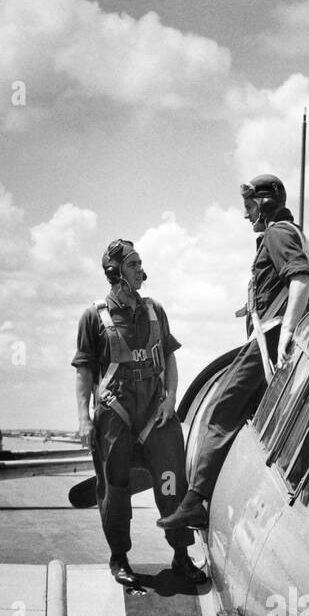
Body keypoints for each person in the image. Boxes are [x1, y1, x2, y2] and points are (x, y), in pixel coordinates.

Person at [158, 174, 309, 532]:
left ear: (263, 204)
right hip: (292, 344)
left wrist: (289, 330)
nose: (246, 216)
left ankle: (195, 501)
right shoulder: (303, 239)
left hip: (272, 341)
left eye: (248, 207)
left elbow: (301, 280)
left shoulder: (277, 234)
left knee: (221, 411)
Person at [73, 239, 206, 587]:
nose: (140, 270)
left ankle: (180, 555)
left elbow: (170, 357)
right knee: (114, 488)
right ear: (115, 271)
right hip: (114, 413)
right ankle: (119, 558)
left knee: (171, 483)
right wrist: (84, 419)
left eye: (139, 263)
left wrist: (171, 398)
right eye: (133, 264)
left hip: (156, 413)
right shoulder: (94, 316)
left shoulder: (154, 311)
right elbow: (84, 372)